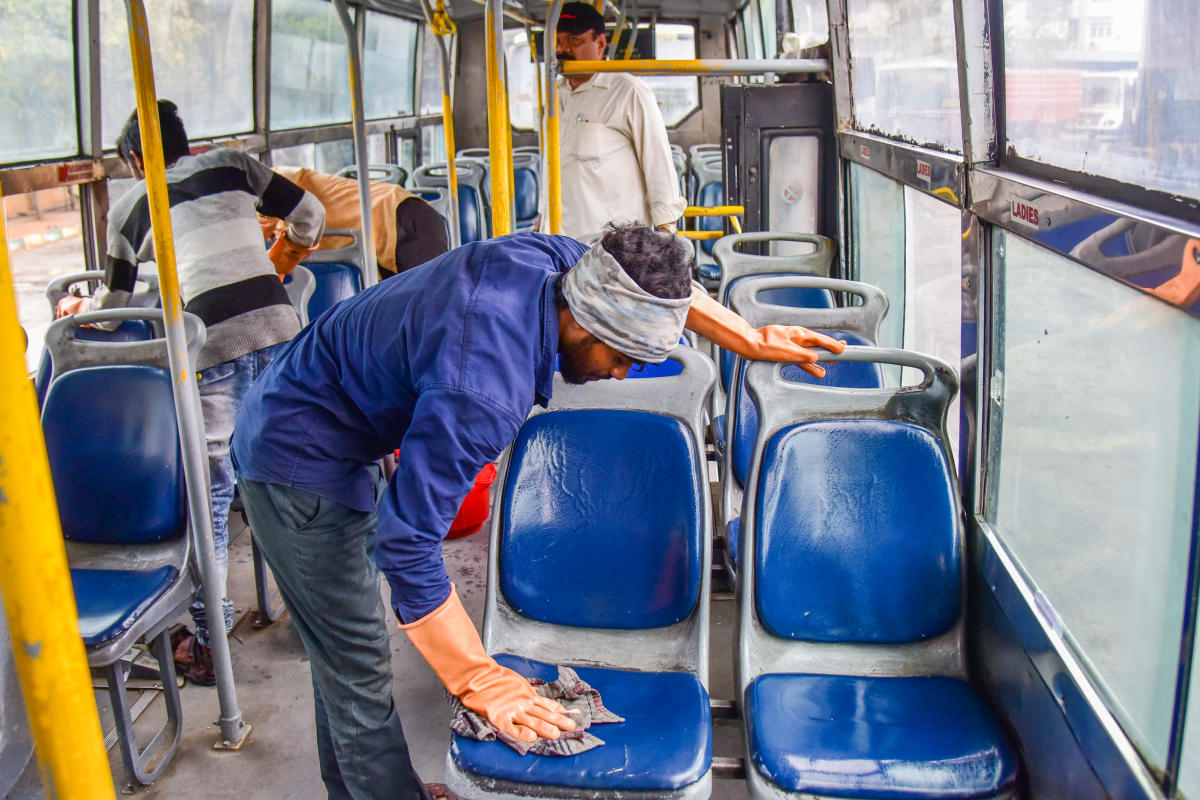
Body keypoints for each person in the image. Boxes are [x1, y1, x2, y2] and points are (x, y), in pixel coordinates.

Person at [230, 224, 843, 800]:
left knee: (340, 649)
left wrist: (749, 337)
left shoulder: (552, 263)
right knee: (356, 661)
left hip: (326, 407)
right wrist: (478, 678)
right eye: (622, 355)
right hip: (297, 459)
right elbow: (408, 542)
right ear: (581, 320)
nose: (623, 374)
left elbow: (650, 288)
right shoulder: (484, 390)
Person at [60, 100, 326, 684]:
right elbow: (310, 211)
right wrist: (283, 257)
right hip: (283, 332)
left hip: (212, 347)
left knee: (210, 494)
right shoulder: (233, 164)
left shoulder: (131, 205)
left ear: (134, 158)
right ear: (188, 142)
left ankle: (211, 639)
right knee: (302, 471)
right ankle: (324, 615)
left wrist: (78, 310)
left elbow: (117, 310)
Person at [539, 2, 687, 238]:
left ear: (600, 43)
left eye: (574, 40)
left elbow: (659, 168)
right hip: (561, 238)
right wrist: (542, 220)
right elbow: (552, 167)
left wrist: (666, 236)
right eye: (558, 41)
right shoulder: (555, 95)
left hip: (612, 245)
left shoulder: (629, 92)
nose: (562, 49)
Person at [261, 166, 449, 280]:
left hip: (401, 218)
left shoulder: (275, 180)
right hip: (386, 228)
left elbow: (258, 235)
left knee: (431, 307)